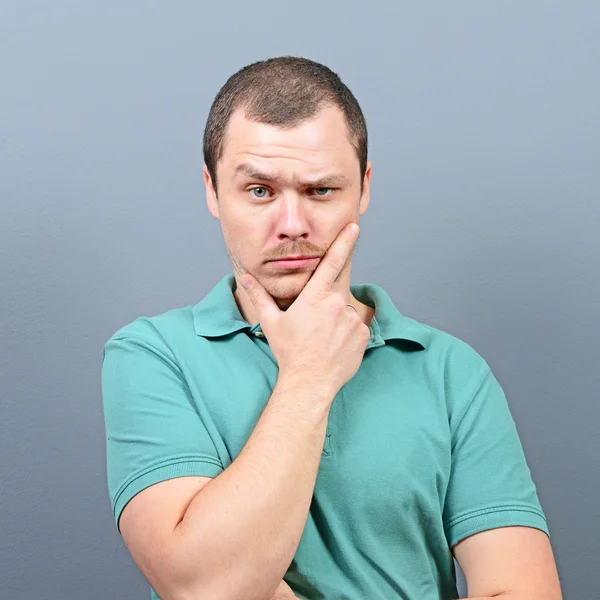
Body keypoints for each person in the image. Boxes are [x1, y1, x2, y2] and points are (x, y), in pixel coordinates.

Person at [101, 56, 562, 600]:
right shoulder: (154, 356)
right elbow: (205, 588)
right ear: (212, 190)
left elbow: (521, 590)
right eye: (259, 191)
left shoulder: (450, 370)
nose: (292, 226)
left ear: (363, 188)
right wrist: (309, 377)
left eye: (320, 191)